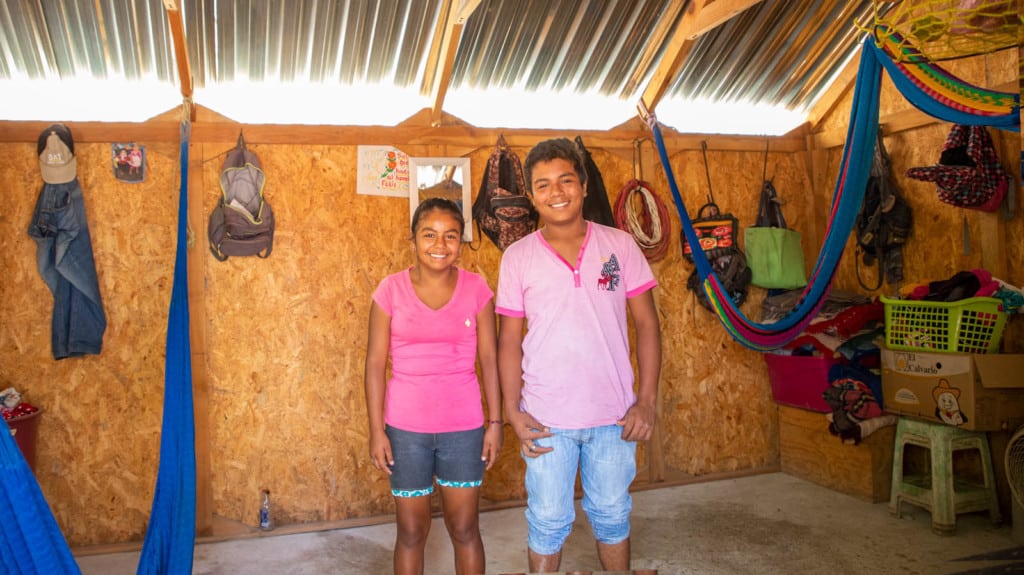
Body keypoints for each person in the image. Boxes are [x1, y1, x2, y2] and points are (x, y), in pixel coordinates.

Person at [496, 138, 662, 573]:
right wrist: (512, 410)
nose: (557, 192)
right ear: (532, 196)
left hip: (614, 415)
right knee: (548, 520)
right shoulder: (517, 257)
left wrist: (645, 400)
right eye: (544, 185)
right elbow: (509, 341)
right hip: (546, 418)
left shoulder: (620, 246)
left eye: (566, 180)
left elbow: (647, 324)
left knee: (611, 513)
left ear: (584, 185)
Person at [364, 197, 503, 575]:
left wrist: (495, 424)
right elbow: (375, 364)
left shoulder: (477, 289)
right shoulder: (389, 290)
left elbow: (490, 359)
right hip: (406, 430)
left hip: (464, 429)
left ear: (461, 242)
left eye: (450, 236)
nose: (440, 245)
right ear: (413, 240)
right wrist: (377, 431)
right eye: (429, 235)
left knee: (464, 528)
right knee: (411, 531)